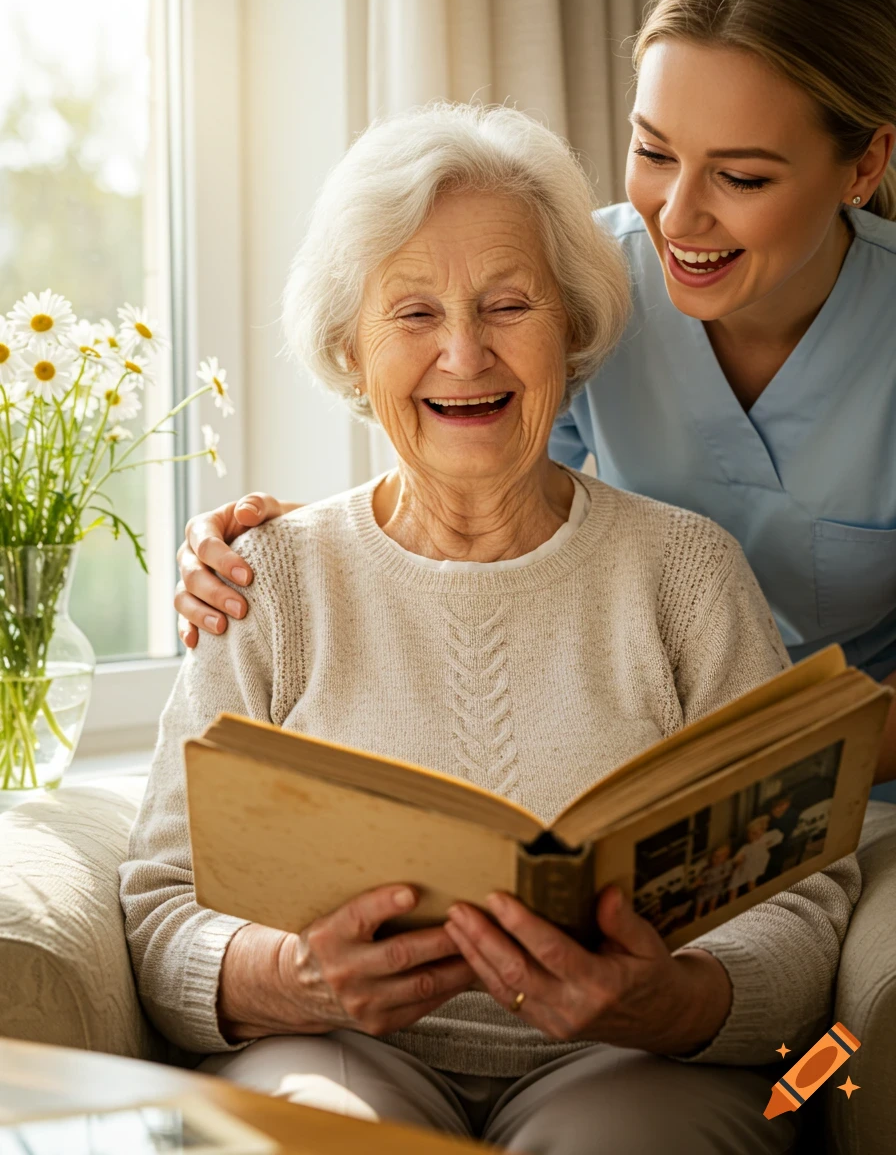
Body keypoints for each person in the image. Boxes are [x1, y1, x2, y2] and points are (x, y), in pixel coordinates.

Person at [121, 103, 857, 1155]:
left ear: (570, 324)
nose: (463, 353)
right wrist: (288, 976)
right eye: (412, 313)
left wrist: (672, 1000)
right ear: (348, 345)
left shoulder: (685, 572)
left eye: (507, 304)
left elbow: (800, 895)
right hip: (335, 1044)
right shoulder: (265, 578)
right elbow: (159, 902)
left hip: (627, 1063)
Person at [173, 0, 896, 802]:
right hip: (649, 787)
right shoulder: (570, 280)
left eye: (741, 178)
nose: (678, 217)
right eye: (654, 153)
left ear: (864, 163)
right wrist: (303, 556)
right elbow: (487, 491)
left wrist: (751, 753)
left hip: (855, 784)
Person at [727, 815, 784, 899]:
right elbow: (738, 858)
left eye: (756, 834)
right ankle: (732, 901)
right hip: (742, 867)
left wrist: (768, 842)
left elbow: (778, 836)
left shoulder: (762, 841)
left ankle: (756, 898)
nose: (753, 836)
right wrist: (737, 862)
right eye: (751, 834)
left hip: (752, 866)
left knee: (751, 881)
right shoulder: (746, 847)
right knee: (734, 885)